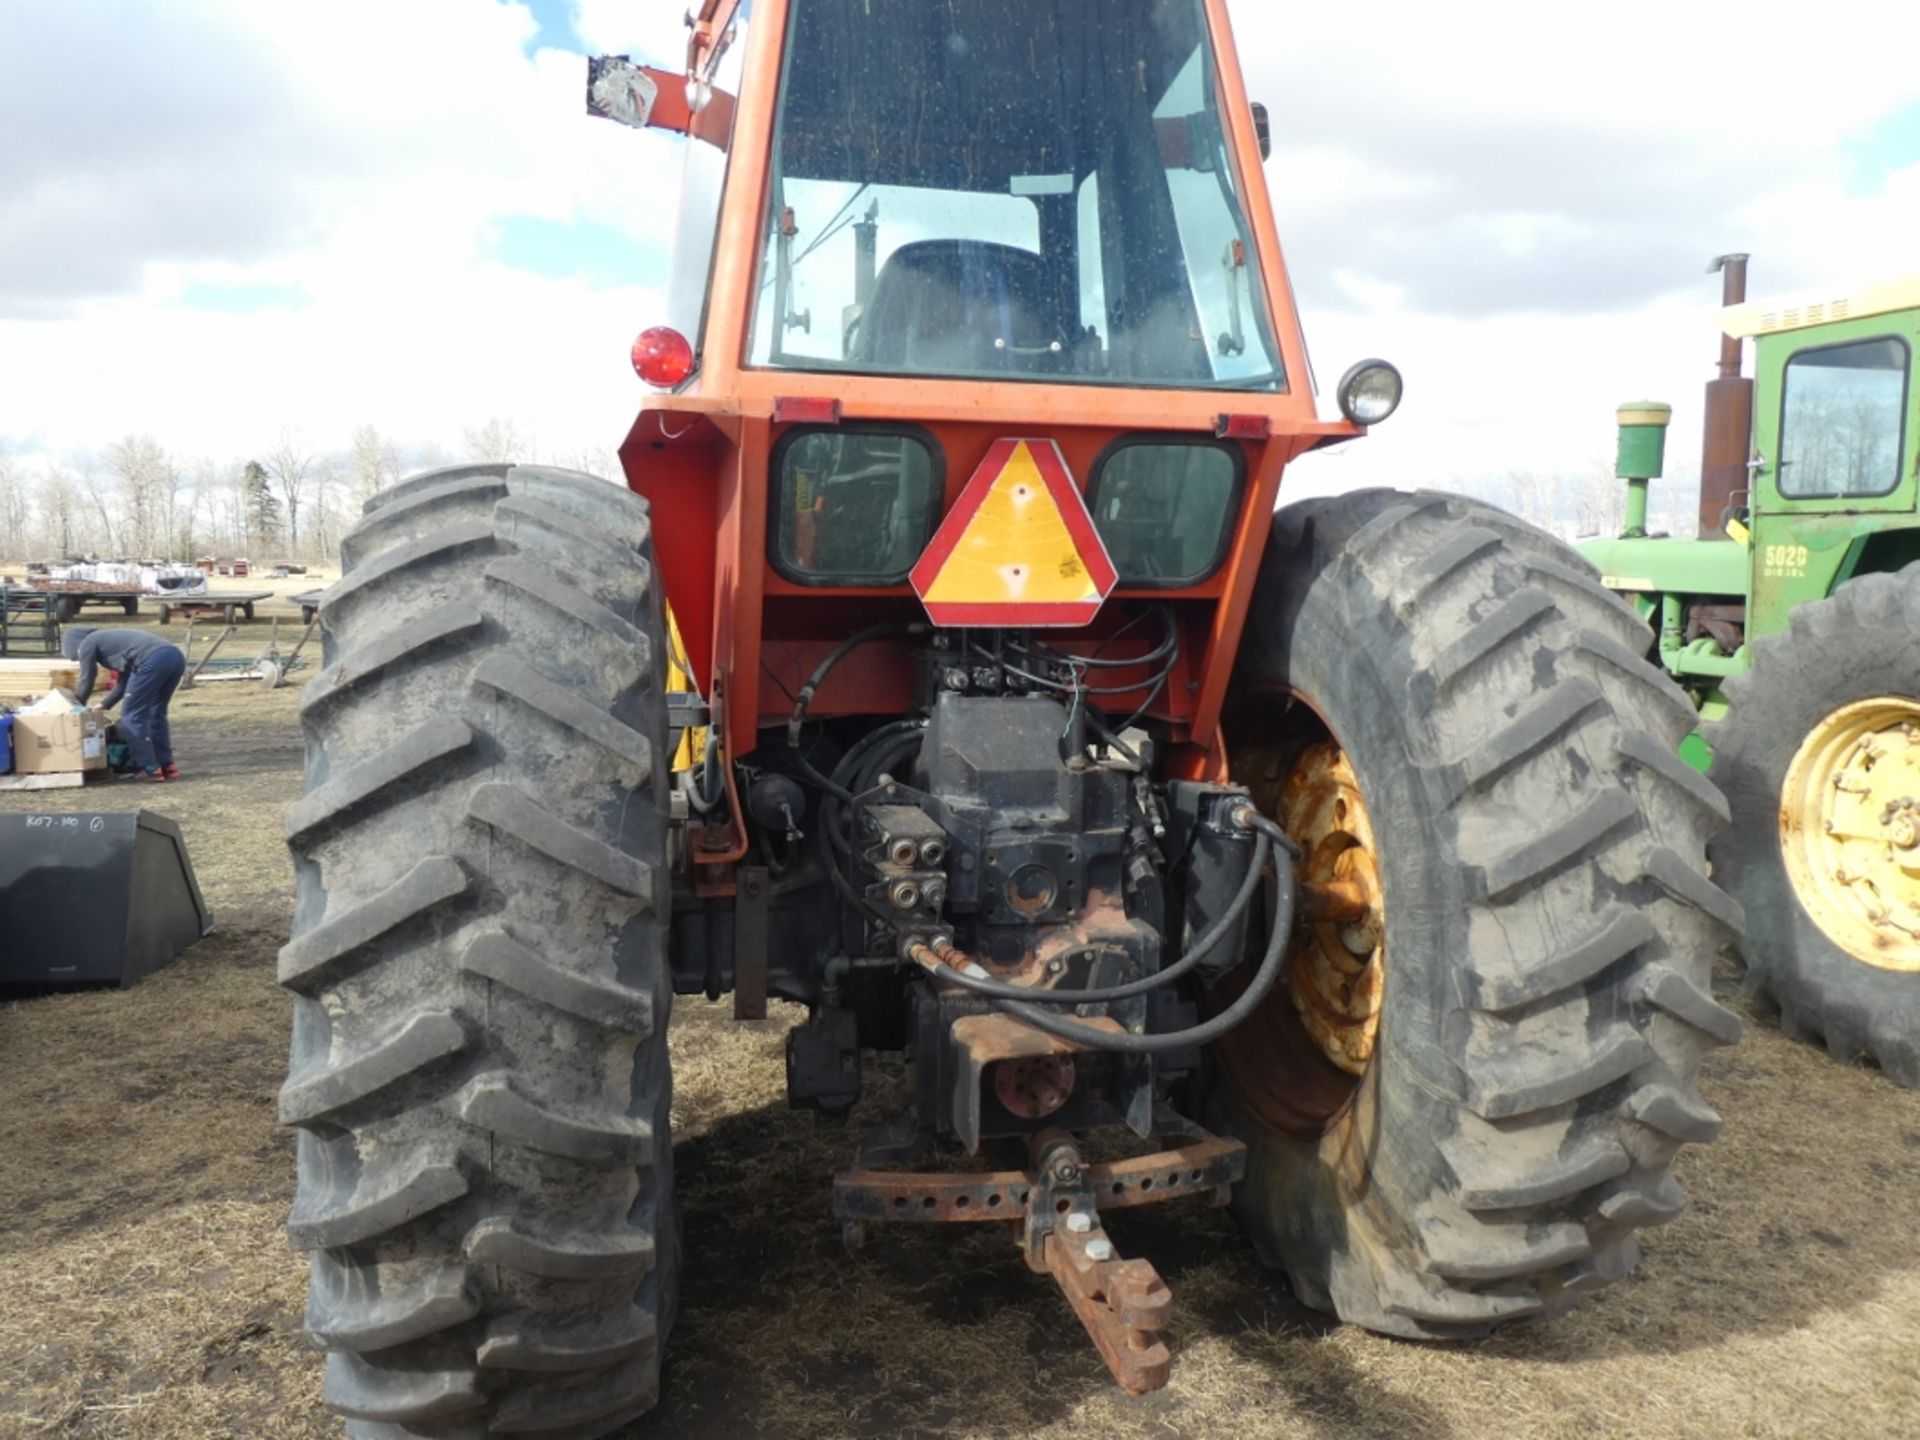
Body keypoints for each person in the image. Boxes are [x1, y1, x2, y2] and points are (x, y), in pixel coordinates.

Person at [60, 625, 188, 782]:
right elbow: (124, 682)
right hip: (174, 657)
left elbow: (87, 679)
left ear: (75, 646)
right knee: (156, 712)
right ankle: (167, 765)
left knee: (131, 717)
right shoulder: (112, 641)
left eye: (76, 657)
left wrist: (76, 706)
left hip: (151, 660)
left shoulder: (87, 643)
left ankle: (149, 767)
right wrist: (104, 704)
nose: (79, 659)